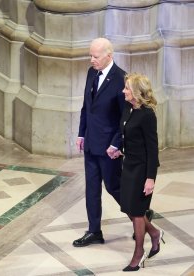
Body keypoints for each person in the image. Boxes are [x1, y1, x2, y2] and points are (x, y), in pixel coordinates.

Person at [74, 37, 131, 247]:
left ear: (109, 55)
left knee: (114, 187)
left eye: (95, 56)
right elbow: (86, 107)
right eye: (90, 55)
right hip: (91, 142)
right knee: (91, 189)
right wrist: (81, 134)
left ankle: (140, 215)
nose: (91, 60)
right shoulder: (92, 73)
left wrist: (116, 144)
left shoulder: (121, 79)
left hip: (109, 147)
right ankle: (94, 231)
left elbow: (124, 118)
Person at [114, 73, 163, 271]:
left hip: (142, 170)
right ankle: (154, 233)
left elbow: (152, 148)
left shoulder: (147, 115)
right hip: (128, 165)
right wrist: (119, 149)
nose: (123, 91)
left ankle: (138, 253)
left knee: (136, 211)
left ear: (135, 92)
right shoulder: (129, 108)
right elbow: (126, 134)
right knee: (128, 207)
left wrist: (150, 178)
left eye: (127, 88)